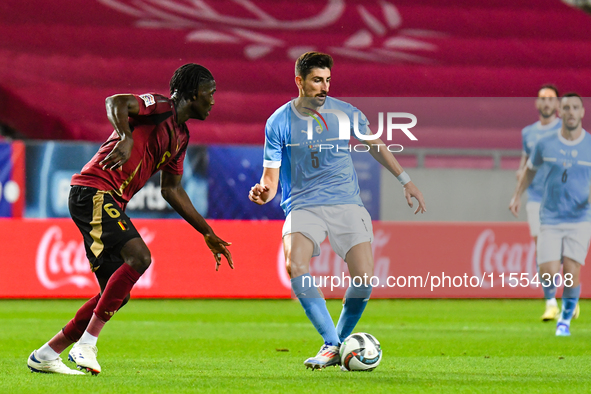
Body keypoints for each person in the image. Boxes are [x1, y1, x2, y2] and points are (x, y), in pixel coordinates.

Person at [27, 63, 233, 375]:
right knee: (139, 256)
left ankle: (46, 354)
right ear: (193, 94)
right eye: (211, 93)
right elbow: (116, 101)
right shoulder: (159, 107)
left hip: (107, 200)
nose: (214, 100)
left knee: (114, 294)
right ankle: (86, 345)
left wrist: (206, 231)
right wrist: (125, 135)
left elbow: (172, 189)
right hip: (93, 190)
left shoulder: (180, 136)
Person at [249, 52, 426, 369]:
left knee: (364, 278)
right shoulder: (278, 122)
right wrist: (263, 193)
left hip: (346, 202)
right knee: (295, 265)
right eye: (317, 80)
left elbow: (375, 144)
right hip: (303, 205)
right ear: (299, 82)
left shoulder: (346, 113)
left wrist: (406, 180)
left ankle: (334, 344)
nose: (324, 87)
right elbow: (270, 180)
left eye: (328, 80)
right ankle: (333, 344)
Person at [510, 93, 591, 336]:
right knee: (548, 271)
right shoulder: (544, 143)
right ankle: (554, 300)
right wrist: (517, 195)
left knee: (572, 270)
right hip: (551, 216)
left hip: (580, 217)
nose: (570, 112)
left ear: (582, 112)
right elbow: (529, 171)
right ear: (560, 111)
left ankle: (564, 321)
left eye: (575, 107)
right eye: (566, 107)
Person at [515, 85, 566, 321]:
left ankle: (569, 297)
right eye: (542, 99)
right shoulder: (528, 133)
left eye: (550, 99)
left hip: (561, 198)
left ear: (557, 105)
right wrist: (519, 185)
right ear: (537, 103)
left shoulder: (566, 130)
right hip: (536, 197)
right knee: (542, 248)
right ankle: (550, 301)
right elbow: (525, 161)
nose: (546, 103)